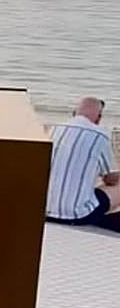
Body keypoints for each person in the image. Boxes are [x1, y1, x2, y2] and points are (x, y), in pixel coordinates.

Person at [45, 97, 119, 233]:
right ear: (99, 118)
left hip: (44, 211)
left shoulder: (53, 130)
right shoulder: (100, 136)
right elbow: (111, 179)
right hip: (77, 215)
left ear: (74, 113)